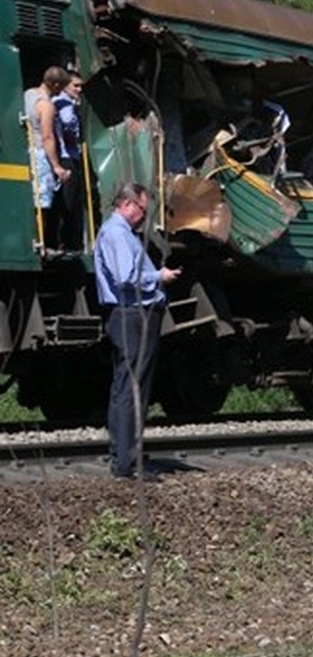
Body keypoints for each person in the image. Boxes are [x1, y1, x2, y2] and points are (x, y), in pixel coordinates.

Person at [95, 183, 180, 480]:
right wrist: (160, 276)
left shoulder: (118, 232)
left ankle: (124, 456)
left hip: (129, 315)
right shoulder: (117, 233)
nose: (144, 217)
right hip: (132, 316)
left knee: (126, 387)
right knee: (133, 388)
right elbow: (126, 277)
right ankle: (127, 462)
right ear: (128, 204)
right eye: (143, 210)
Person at [24, 66, 72, 253]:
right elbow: (47, 137)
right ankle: (41, 242)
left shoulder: (28, 94)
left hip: (27, 151)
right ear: (56, 85)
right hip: (40, 155)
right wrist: (57, 166)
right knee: (43, 201)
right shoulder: (47, 105)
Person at [51, 72, 85, 251]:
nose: (79, 89)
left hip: (70, 155)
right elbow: (67, 123)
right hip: (67, 156)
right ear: (65, 86)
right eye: (75, 86)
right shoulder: (64, 103)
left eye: (81, 86)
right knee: (68, 200)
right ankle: (66, 241)